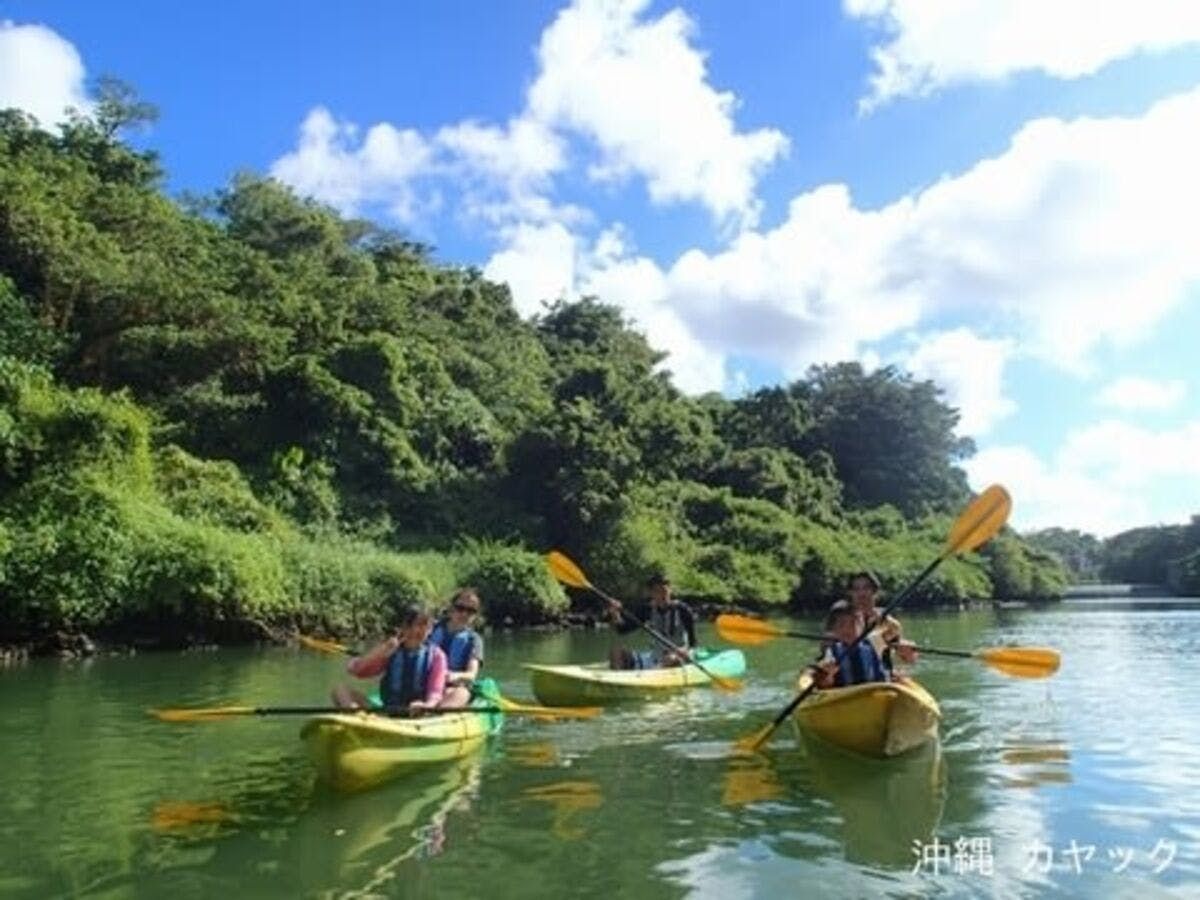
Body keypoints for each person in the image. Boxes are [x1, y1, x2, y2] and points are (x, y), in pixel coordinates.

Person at [331, 604, 447, 712]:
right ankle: (357, 721)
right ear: (401, 627)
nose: (415, 630)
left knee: (462, 693)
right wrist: (380, 651)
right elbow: (356, 670)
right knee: (340, 690)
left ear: (430, 629)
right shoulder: (391, 650)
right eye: (409, 625)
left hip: (419, 713)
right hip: (388, 712)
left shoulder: (437, 656)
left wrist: (427, 706)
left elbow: (435, 692)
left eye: (422, 625)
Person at [606, 573, 697, 670]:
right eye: (657, 592)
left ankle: (654, 674)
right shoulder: (647, 610)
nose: (662, 595)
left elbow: (692, 643)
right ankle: (619, 681)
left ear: (670, 590)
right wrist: (615, 613)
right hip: (655, 657)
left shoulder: (683, 610)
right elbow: (622, 629)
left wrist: (683, 650)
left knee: (671, 658)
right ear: (651, 593)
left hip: (680, 656)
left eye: (664, 591)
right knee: (616, 653)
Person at [846, 570, 918, 672]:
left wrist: (907, 651)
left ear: (875, 592)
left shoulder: (888, 621)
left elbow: (909, 660)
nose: (861, 593)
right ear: (850, 593)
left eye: (866, 588)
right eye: (856, 589)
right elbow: (827, 648)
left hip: (880, 676)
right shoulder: (842, 618)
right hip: (848, 674)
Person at [428, 587, 485, 709]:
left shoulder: (474, 640)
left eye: (471, 611)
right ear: (451, 609)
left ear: (475, 615)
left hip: (453, 686)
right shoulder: (430, 629)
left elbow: (471, 674)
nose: (464, 614)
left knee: (460, 694)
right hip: (426, 683)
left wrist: (454, 676)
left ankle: (436, 714)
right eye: (460, 608)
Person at [812, 600, 889, 689]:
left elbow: (893, 631)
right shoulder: (832, 652)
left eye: (853, 623)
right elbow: (826, 684)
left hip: (877, 693)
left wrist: (884, 619)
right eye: (841, 624)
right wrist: (828, 675)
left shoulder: (874, 640)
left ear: (862, 625)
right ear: (835, 630)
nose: (847, 629)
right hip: (850, 696)